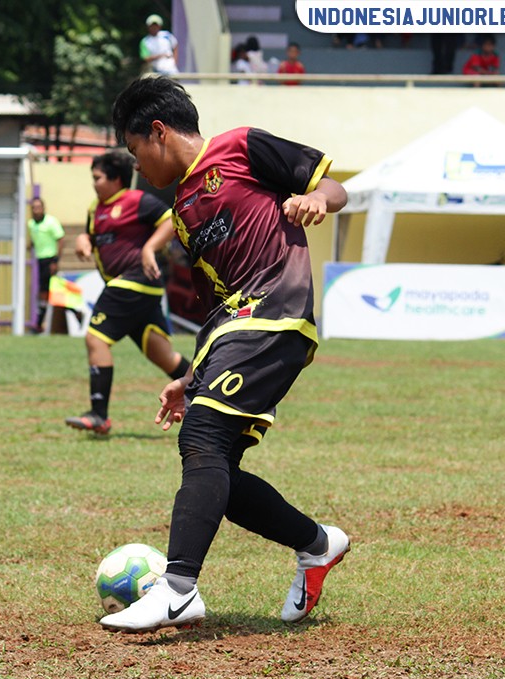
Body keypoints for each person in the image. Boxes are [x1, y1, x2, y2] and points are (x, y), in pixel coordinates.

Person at [101, 76, 350, 633]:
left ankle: (179, 589)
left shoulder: (239, 145)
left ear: (158, 132)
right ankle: (317, 545)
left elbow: (335, 187)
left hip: (277, 312)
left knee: (202, 441)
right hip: (235, 328)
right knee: (218, 471)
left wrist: (315, 199)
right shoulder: (185, 213)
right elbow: (216, 306)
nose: (138, 166)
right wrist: (190, 377)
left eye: (136, 150)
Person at [64, 150, 190, 436]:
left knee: (95, 339)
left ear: (116, 179)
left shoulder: (136, 201)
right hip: (138, 290)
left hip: (131, 281)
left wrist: (149, 248)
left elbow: (171, 219)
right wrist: (84, 240)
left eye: (97, 178)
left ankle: (99, 415)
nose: (93, 183)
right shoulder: (95, 208)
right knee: (163, 355)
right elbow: (91, 235)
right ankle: (211, 401)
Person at [26, 197, 64, 333]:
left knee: (46, 292)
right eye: (33, 208)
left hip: (50, 260)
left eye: (38, 207)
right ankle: (76, 313)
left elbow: (60, 239)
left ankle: (39, 324)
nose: (36, 210)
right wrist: (30, 245)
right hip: (40, 260)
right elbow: (36, 239)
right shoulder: (31, 224)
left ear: (43, 208)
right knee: (45, 292)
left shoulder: (51, 222)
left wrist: (55, 261)